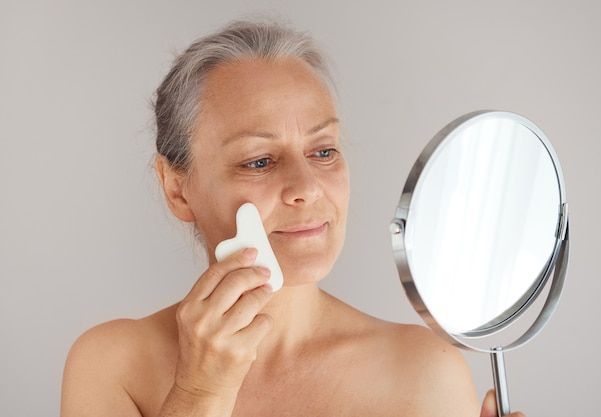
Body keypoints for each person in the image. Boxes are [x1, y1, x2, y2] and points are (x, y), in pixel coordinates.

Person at [60, 19, 525, 417]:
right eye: (259, 161)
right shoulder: (111, 366)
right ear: (177, 189)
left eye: (323, 151)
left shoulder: (424, 370)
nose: (306, 189)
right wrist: (199, 394)